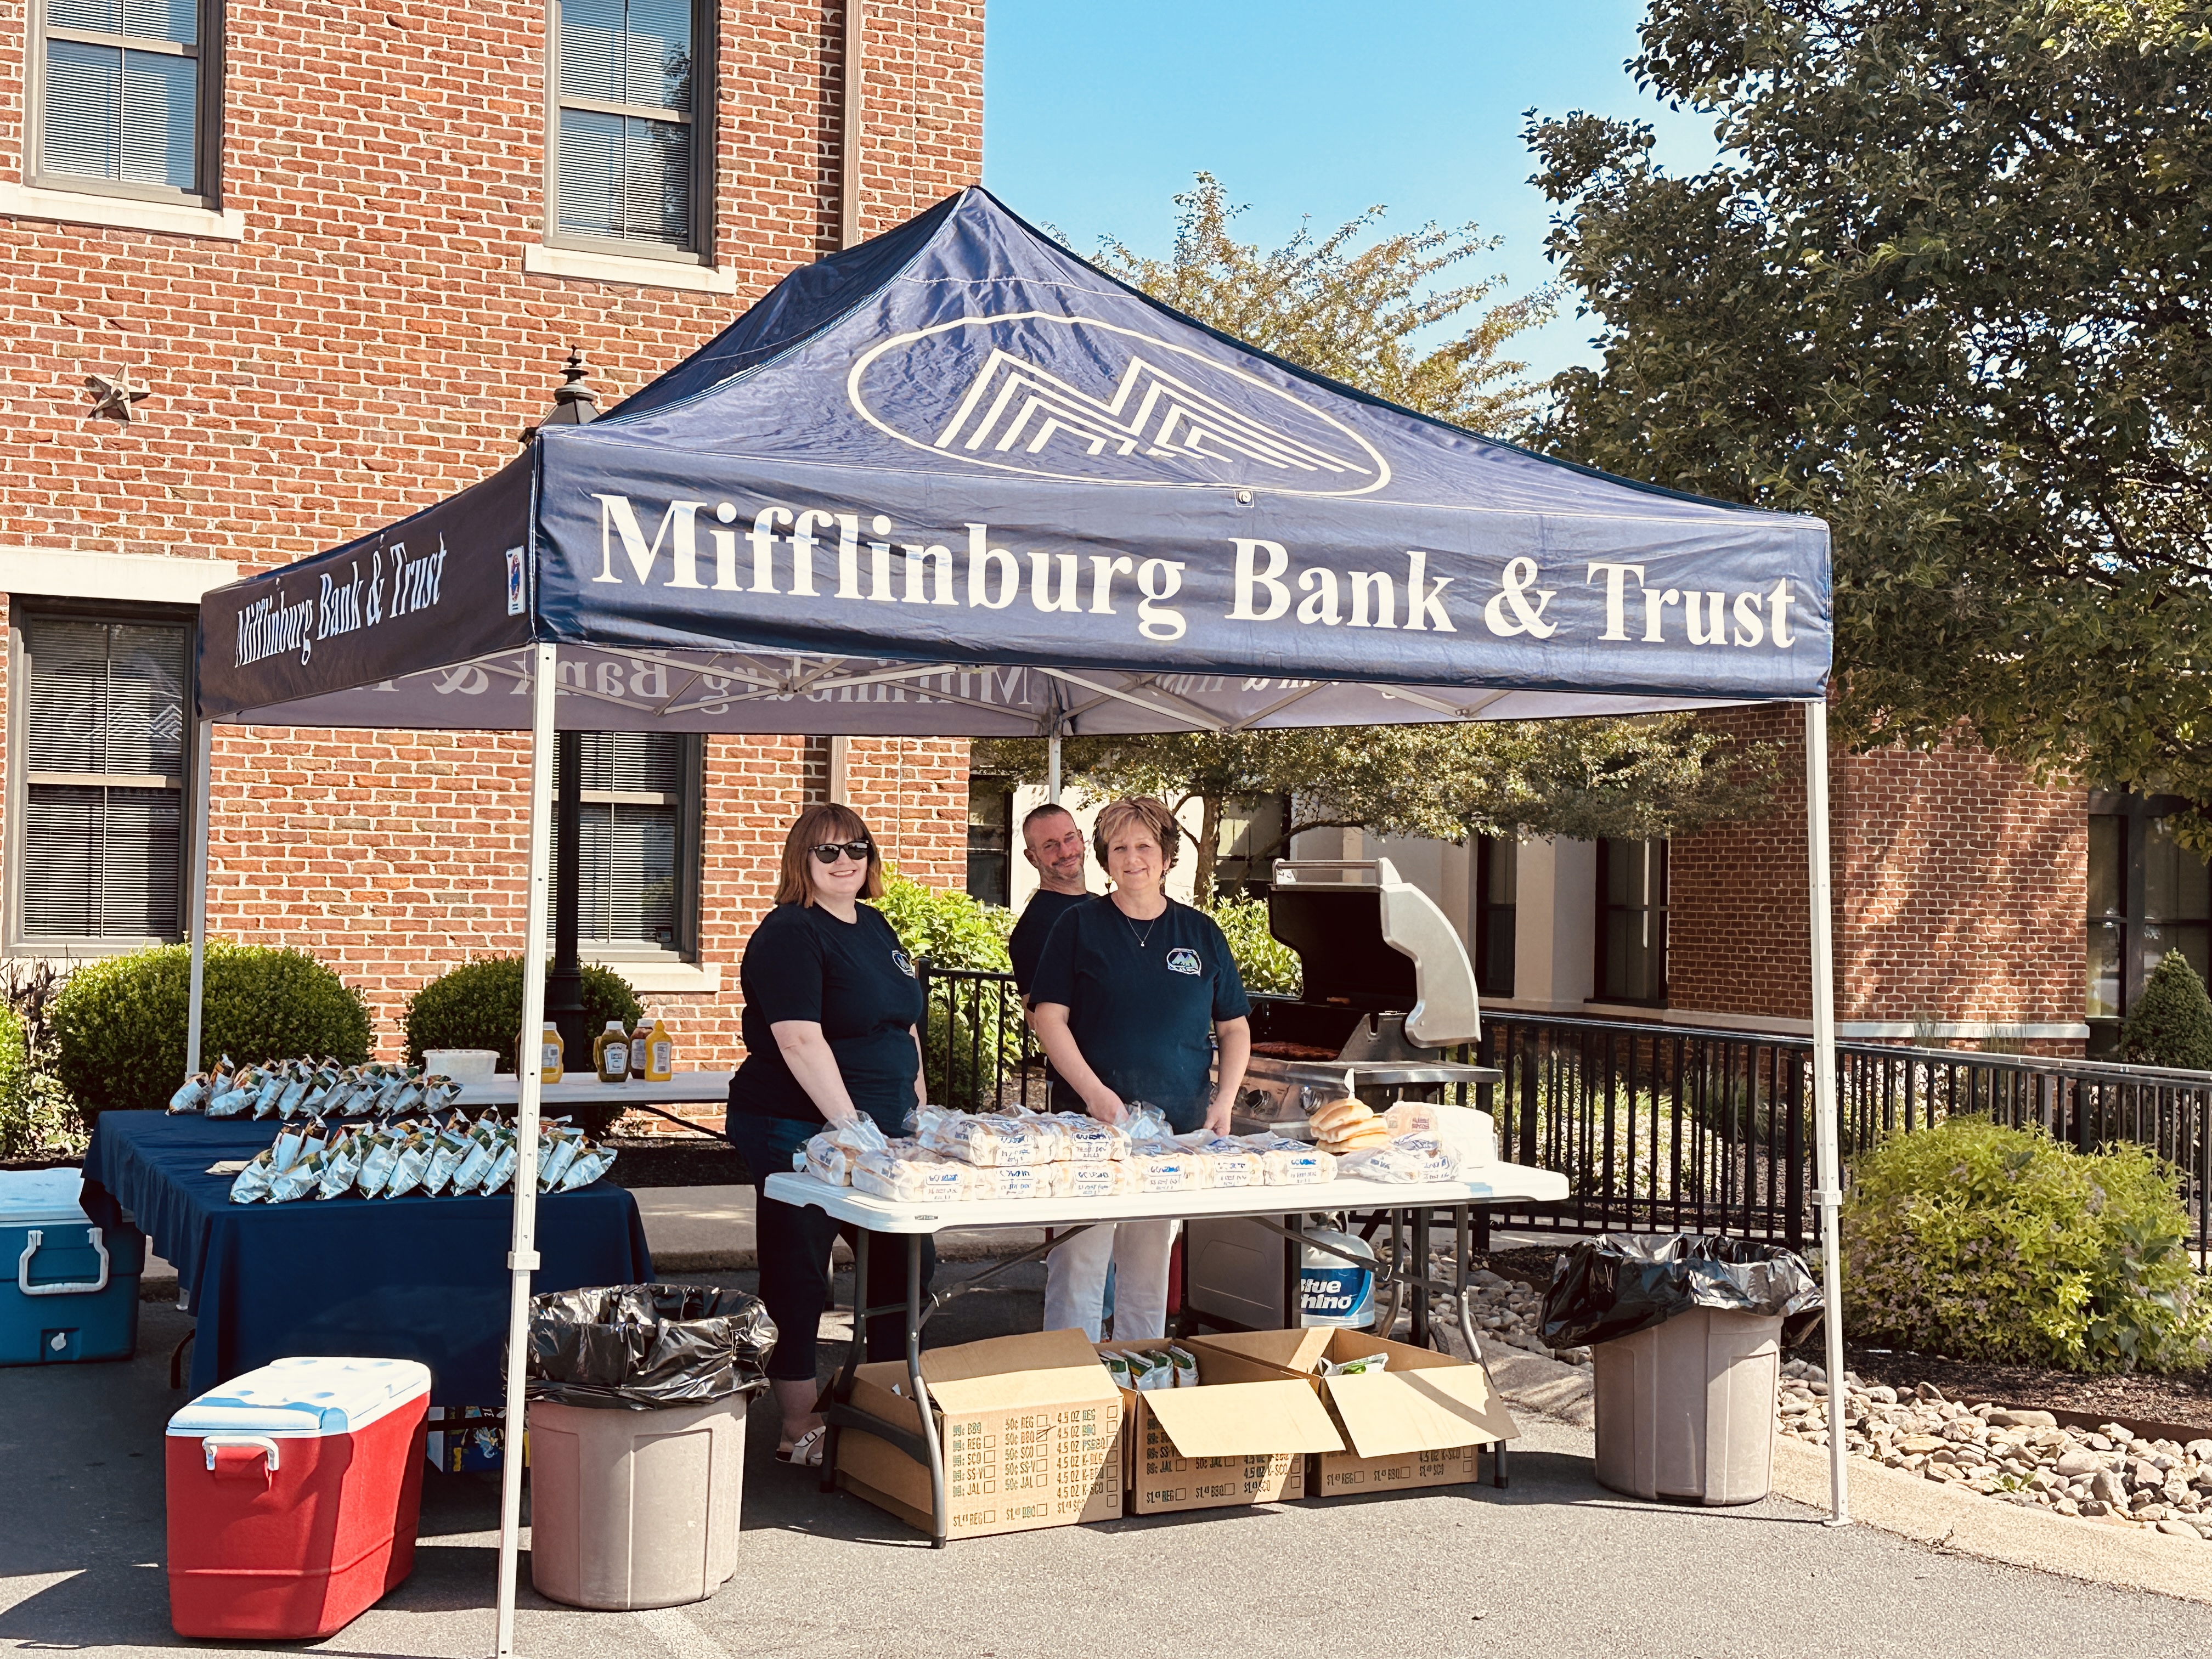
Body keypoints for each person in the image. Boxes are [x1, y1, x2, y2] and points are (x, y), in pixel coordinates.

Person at [723, 803, 932, 1468]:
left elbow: (902, 1026)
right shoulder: (790, 932)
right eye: (828, 852)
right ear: (801, 862)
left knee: (908, 1262)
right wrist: (851, 1127)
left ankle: (881, 1397)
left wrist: (917, 1107)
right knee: (800, 1270)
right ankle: (796, 1420)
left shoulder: (875, 926)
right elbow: (797, 1038)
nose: (845, 861)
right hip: (798, 1126)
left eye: (857, 849)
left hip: (879, 1132)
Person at [1028, 796, 1252, 1341]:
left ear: (1167, 856)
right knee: (1081, 1264)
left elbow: (1235, 1028)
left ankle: (1138, 1385)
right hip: (1090, 1132)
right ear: (1106, 859)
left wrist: (1223, 1102)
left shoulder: (1201, 934)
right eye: (1120, 848)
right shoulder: (1077, 926)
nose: (1133, 858)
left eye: (1145, 846)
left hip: (1175, 1137)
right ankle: (1074, 1387)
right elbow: (1048, 1019)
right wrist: (1096, 1095)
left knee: (1150, 1269)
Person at [1007, 802, 1090, 1001]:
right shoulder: (1034, 929)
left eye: (1070, 838)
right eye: (1050, 845)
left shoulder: (1102, 907)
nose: (1066, 852)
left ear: (1080, 838)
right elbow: (1038, 1020)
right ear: (1032, 858)